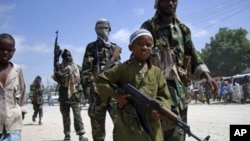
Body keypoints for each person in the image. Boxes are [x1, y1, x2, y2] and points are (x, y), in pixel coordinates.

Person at [141, 0, 218, 140]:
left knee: (180, 132)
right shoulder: (149, 28)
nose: (171, 3)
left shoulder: (183, 29)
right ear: (158, 3)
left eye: (174, 0)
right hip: (157, 94)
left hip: (180, 93)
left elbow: (193, 54)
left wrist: (207, 76)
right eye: (166, 0)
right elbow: (140, 57)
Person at [95, 28, 172, 141]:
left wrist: (159, 110)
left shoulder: (157, 72)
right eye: (140, 44)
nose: (144, 47)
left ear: (152, 48)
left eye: (148, 44)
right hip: (129, 122)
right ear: (130, 47)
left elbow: (164, 95)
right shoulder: (123, 68)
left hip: (151, 122)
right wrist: (117, 97)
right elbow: (101, 80)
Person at [81, 18, 121, 141]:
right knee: (98, 129)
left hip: (114, 92)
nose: (102, 30)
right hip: (97, 93)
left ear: (109, 29)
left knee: (120, 125)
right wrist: (93, 85)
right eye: (99, 28)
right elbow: (86, 70)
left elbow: (119, 70)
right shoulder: (92, 47)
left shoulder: (115, 49)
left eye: (105, 27)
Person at [52, 49, 85, 141]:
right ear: (63, 57)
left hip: (76, 96)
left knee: (77, 116)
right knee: (66, 117)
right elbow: (57, 77)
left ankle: (81, 135)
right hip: (64, 96)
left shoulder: (77, 67)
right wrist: (56, 62)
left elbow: (83, 79)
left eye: (69, 55)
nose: (68, 57)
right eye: (66, 56)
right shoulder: (60, 67)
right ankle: (67, 135)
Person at [0, 33, 27, 140]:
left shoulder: (17, 70)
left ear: (14, 51)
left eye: (9, 50)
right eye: (2, 49)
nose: (6, 52)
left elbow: (22, 90)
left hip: (13, 124)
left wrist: (22, 110)